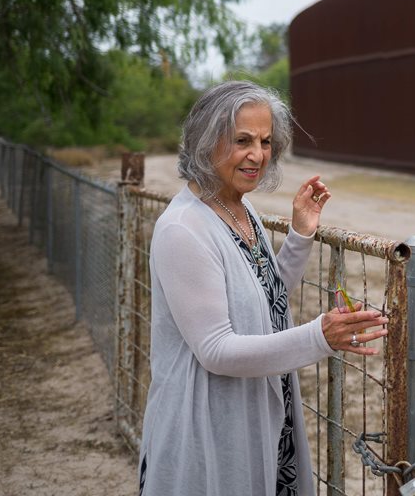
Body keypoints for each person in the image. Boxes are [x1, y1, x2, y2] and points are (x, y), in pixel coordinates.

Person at [138, 80, 388, 496]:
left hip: (258, 407)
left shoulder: (238, 205)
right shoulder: (184, 229)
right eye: (243, 140)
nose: (258, 155)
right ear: (206, 141)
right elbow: (216, 350)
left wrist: (300, 235)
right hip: (209, 424)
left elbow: (265, 301)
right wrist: (318, 336)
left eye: (266, 141)